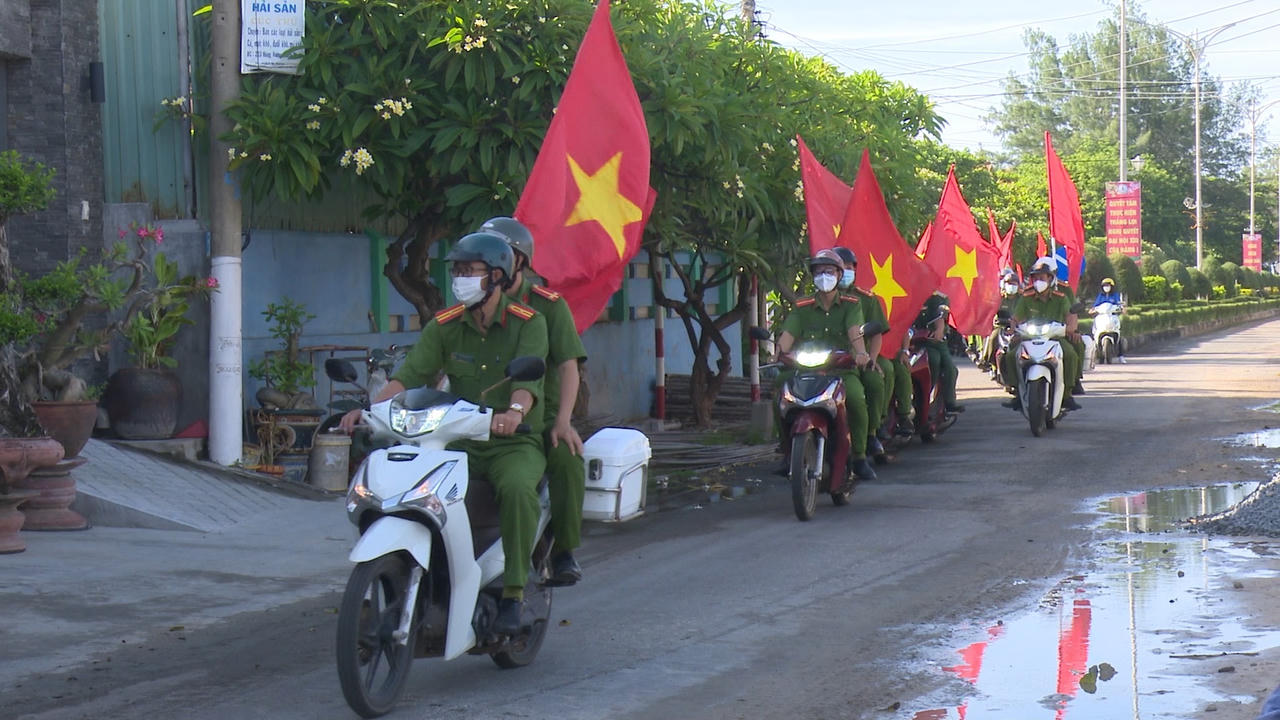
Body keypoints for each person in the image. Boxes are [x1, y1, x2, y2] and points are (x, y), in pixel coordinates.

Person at [338, 231, 548, 635]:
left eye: (471, 271)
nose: (461, 279)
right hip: (456, 440)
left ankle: (514, 593)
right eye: (458, 271)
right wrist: (371, 411)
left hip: (509, 440)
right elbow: (409, 376)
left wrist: (514, 411)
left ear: (499, 277)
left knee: (520, 489)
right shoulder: (445, 326)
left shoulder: (529, 323)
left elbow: (529, 382)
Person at [481, 216, 588, 586]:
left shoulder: (548, 306)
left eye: (497, 256)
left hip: (540, 418)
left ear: (519, 263)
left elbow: (569, 367)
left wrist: (563, 420)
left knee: (567, 458)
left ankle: (563, 551)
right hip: (483, 417)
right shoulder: (475, 302)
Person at [776, 250, 878, 484]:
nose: (824, 276)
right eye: (819, 272)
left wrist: (861, 353)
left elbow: (855, 331)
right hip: (807, 369)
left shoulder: (852, 305)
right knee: (780, 393)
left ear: (839, 275)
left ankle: (860, 456)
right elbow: (789, 333)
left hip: (840, 370)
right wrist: (779, 350)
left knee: (855, 398)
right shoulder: (802, 305)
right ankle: (787, 452)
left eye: (829, 272)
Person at [1000, 256, 1082, 412]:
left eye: (1042, 278)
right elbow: (1016, 317)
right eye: (1035, 278)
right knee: (1011, 355)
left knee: (1070, 354)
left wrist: (1071, 328)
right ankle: (1017, 392)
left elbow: (1070, 315)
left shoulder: (1061, 297)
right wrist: (1012, 328)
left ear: (1050, 278)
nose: (1038, 281)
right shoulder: (1026, 297)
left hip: (1055, 337)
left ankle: (1067, 394)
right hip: (1030, 336)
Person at [832, 246, 891, 457]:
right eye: (841, 267)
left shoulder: (865, 299)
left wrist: (871, 359)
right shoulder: (820, 299)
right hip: (827, 360)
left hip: (858, 357)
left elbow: (876, 333)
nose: (846, 271)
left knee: (875, 381)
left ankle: (872, 432)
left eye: (850, 267)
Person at [913, 292, 964, 414]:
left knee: (951, 370)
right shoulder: (911, 292)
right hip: (917, 342)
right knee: (932, 362)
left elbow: (940, 319)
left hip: (936, 342)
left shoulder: (938, 298)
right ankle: (921, 400)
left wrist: (939, 330)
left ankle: (948, 403)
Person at [978, 268, 1021, 373]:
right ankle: (987, 360)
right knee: (993, 338)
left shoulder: (1022, 299)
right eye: (1009, 283)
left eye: (1014, 283)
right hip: (1001, 326)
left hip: (1019, 328)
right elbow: (990, 310)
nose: (1012, 286)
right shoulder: (999, 298)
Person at [1091, 276, 1127, 363]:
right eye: (1104, 285)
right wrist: (1092, 309)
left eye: (1108, 285)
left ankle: (1121, 356)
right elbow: (1095, 305)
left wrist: (1122, 308)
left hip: (1112, 316)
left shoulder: (1115, 295)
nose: (1106, 287)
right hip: (1101, 317)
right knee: (1094, 333)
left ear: (1112, 286)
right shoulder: (1100, 296)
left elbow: (1119, 304)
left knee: (1118, 333)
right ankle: (1094, 352)